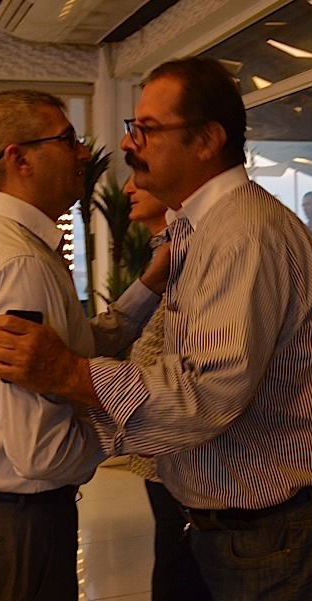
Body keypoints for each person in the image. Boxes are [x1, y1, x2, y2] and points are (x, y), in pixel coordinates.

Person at [0, 57, 312, 601]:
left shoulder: (241, 233)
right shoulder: (199, 229)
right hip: (250, 526)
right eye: (133, 127)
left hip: (281, 529)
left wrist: (71, 374)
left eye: (147, 129)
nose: (129, 144)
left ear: (208, 140)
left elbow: (205, 393)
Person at [0, 89, 164, 601]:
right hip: (16, 523)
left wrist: (149, 286)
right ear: (19, 159)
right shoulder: (19, 265)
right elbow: (42, 453)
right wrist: (143, 425)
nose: (83, 153)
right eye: (67, 139)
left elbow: (71, 349)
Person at [122, 176, 211, 601]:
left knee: (179, 565)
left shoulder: (190, 249)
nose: (128, 188)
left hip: (177, 440)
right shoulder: (164, 250)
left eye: (139, 174)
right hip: (160, 440)